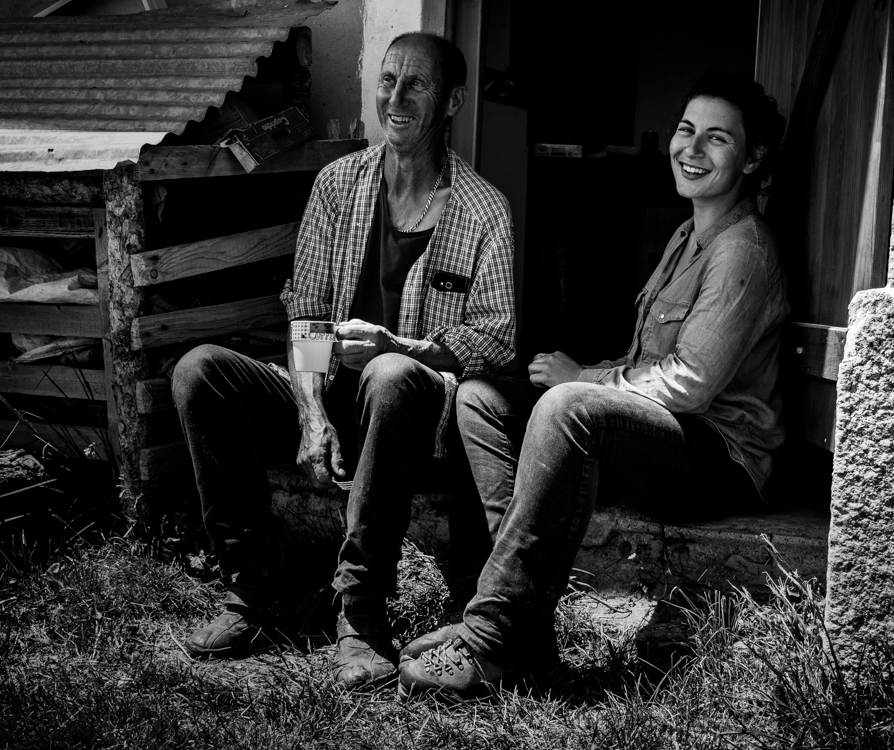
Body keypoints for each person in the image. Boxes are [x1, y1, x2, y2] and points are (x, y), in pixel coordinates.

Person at [398, 70, 789, 696]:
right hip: (667, 431)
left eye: (716, 139)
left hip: (720, 454)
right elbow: (647, 361)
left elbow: (689, 385)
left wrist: (586, 379)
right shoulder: (688, 234)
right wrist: (592, 378)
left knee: (568, 406)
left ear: (752, 157)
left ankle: (495, 634)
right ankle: (515, 621)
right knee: (479, 398)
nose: (691, 149)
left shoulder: (742, 250)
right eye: (686, 130)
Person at [171, 32, 516, 688]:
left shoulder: (484, 210)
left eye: (416, 84)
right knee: (200, 370)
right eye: (387, 80)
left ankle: (360, 614)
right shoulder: (339, 185)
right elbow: (306, 314)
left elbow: (496, 339)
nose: (396, 97)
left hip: (409, 415)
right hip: (330, 397)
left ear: (454, 101)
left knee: (391, 374)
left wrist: (401, 347)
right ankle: (253, 586)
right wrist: (310, 414)